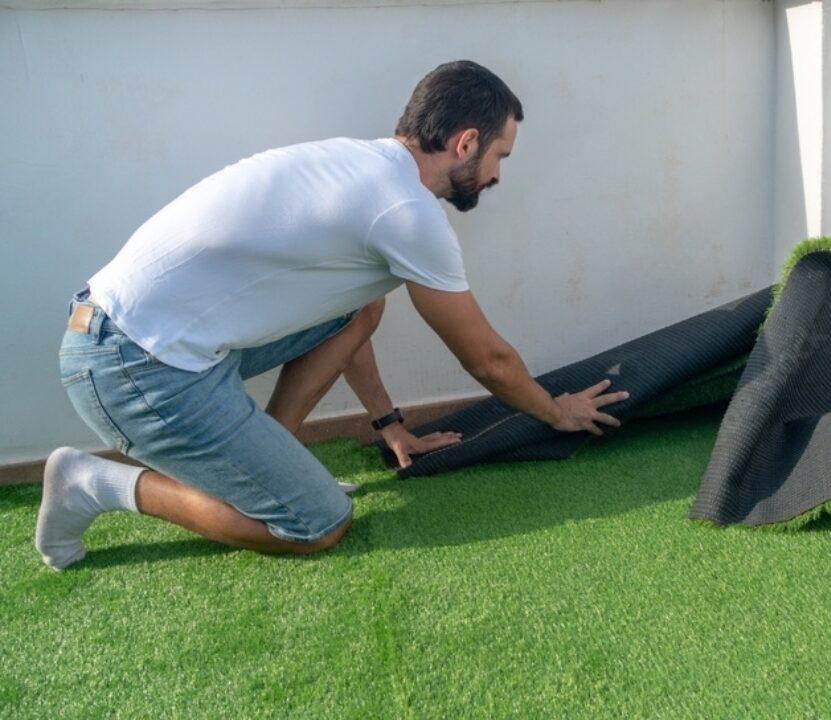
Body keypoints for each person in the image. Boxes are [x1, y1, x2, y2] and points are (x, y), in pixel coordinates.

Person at [36, 60, 628, 571]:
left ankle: (277, 460)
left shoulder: (357, 164)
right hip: (131, 365)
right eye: (500, 155)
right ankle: (92, 483)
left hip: (130, 340)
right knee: (317, 524)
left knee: (363, 305)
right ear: (467, 143)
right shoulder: (408, 212)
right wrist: (556, 412)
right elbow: (487, 360)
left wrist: (389, 423)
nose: (497, 175)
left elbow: (350, 315)